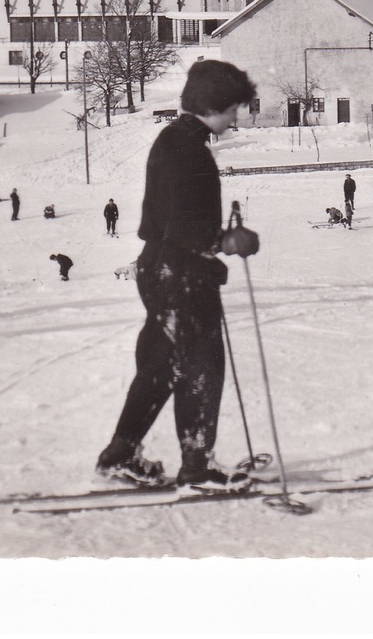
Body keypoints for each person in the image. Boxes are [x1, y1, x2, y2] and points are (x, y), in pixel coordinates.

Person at [97, 58, 258, 494]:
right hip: (181, 274)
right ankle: (196, 467)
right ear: (214, 105)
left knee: (161, 367)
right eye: (233, 108)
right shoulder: (190, 151)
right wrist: (230, 241)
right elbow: (187, 227)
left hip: (162, 268)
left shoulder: (174, 139)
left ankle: (122, 454)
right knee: (202, 368)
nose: (237, 116)